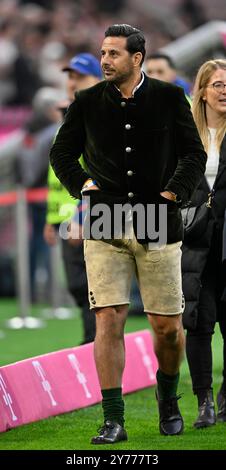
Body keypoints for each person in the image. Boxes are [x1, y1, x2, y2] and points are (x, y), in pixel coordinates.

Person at [50, 24, 206, 443]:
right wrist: (82, 185)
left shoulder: (171, 97)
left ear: (136, 59)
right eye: (103, 52)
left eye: (114, 54)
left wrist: (174, 192)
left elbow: (195, 153)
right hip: (104, 222)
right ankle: (113, 418)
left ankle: (168, 399)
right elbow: (60, 152)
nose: (104, 60)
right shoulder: (85, 102)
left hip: (160, 220)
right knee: (108, 319)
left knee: (167, 328)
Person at [44, 53, 102, 343]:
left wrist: (82, 216)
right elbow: (57, 173)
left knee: (93, 286)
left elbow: (96, 171)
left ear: (97, 79)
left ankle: (96, 343)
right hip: (67, 216)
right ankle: (92, 341)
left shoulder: (98, 116)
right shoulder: (71, 116)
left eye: (79, 76)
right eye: (69, 76)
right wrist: (51, 218)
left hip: (88, 216)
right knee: (80, 286)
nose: (72, 82)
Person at [182, 59, 226, 428]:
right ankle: (204, 403)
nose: (224, 90)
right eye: (218, 84)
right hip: (194, 242)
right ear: (202, 91)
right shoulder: (185, 135)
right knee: (198, 323)